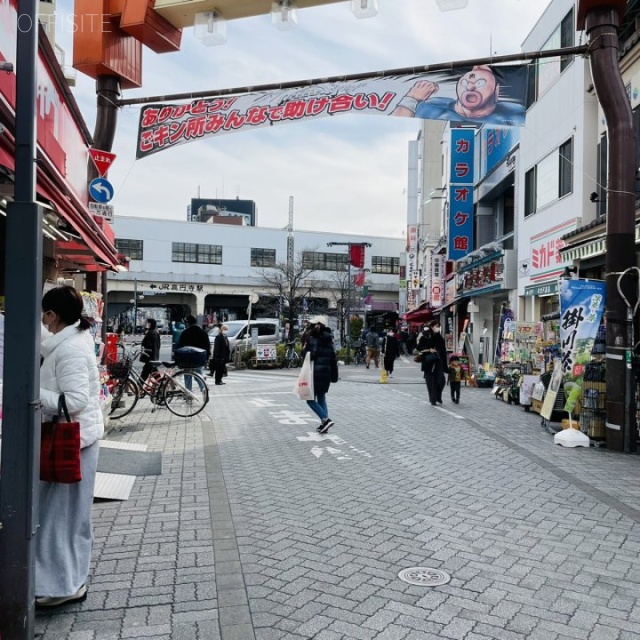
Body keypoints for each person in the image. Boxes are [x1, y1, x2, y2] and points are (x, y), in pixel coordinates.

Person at [36, 285, 104, 607]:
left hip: (73, 442)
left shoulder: (69, 349)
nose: (44, 321)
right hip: (78, 440)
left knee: (61, 519)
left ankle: (64, 586)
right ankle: (64, 583)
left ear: (54, 314)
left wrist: (35, 396)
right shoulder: (71, 342)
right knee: (67, 518)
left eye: (46, 314)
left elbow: (76, 400)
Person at [392, 65, 525, 127]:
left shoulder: (514, 113)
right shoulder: (434, 106)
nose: (471, 87)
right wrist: (411, 98)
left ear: (496, 91)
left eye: (480, 83)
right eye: (466, 82)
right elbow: (397, 122)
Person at [301, 315, 338, 434]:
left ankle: (325, 420)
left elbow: (312, 355)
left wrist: (304, 349)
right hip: (325, 372)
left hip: (315, 373)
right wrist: (333, 375)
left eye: (313, 324)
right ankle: (324, 424)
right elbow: (333, 358)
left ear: (317, 325)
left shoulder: (314, 338)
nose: (311, 326)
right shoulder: (329, 338)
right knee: (321, 397)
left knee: (309, 399)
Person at [417, 319, 448, 406]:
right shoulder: (425, 336)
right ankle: (433, 399)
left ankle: (438, 396)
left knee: (441, 381)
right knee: (431, 382)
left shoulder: (440, 337)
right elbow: (419, 347)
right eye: (436, 326)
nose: (438, 328)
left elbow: (443, 352)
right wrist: (428, 349)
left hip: (439, 362)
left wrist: (445, 366)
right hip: (429, 362)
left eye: (439, 326)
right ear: (431, 327)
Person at [177, 315, 210, 389]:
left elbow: (180, 346)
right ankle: (203, 388)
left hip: (187, 358)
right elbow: (207, 346)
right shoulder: (203, 333)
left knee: (187, 376)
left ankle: (189, 393)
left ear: (188, 323)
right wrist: (207, 357)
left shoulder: (185, 333)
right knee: (198, 375)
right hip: (199, 357)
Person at [140, 317, 161, 382]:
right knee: (153, 372)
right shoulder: (155, 331)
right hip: (154, 356)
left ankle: (139, 387)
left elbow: (146, 343)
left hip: (150, 356)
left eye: (147, 323)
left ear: (150, 324)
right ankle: (161, 385)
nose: (146, 324)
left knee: (145, 373)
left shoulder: (151, 333)